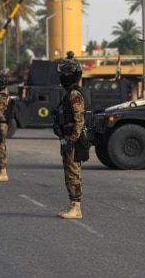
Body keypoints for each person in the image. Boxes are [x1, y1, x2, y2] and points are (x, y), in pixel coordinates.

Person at [54, 61, 87, 219]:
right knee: (68, 173)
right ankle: (72, 205)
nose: (64, 78)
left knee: (74, 173)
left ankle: (76, 208)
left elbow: (79, 121)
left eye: (67, 75)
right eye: (63, 75)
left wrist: (72, 140)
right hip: (67, 139)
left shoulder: (75, 95)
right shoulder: (67, 95)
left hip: (73, 140)